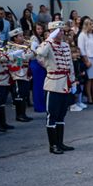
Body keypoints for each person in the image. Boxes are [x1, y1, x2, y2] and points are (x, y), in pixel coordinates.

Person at [36, 21, 76, 154]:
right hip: (53, 84)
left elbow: (70, 64)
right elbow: (40, 52)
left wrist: (73, 81)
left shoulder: (65, 45)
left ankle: (60, 143)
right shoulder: (47, 45)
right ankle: (52, 145)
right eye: (59, 31)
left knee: (61, 115)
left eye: (62, 30)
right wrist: (49, 38)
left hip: (65, 84)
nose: (62, 33)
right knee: (52, 115)